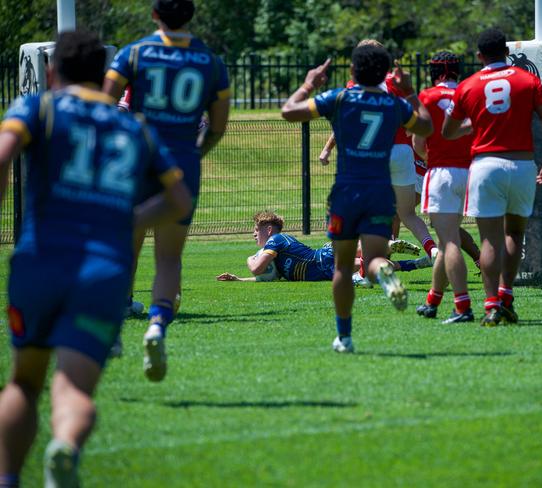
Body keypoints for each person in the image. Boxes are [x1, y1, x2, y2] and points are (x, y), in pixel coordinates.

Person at [0, 30, 191, 488]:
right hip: (103, 271)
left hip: (42, 260)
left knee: (25, 381)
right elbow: (178, 201)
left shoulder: (38, 107)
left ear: (51, 72)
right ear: (103, 75)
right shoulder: (134, 126)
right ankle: (64, 443)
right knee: (74, 387)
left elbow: (3, 157)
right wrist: (128, 217)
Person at [103, 0, 230, 381]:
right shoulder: (211, 62)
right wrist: (194, 153)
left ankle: (111, 329)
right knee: (169, 257)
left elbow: (105, 105)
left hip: (138, 160)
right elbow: (219, 126)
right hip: (182, 164)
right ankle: (157, 324)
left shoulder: (134, 53)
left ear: (154, 14)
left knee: (126, 245)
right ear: (190, 15)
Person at [282, 43, 433, 353]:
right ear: (384, 74)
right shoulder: (394, 104)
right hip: (380, 192)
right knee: (376, 259)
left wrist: (310, 83)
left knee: (342, 267)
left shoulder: (338, 97)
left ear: (352, 71)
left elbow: (289, 111)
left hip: (347, 192)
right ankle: (386, 273)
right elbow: (427, 126)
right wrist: (410, 92)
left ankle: (345, 337)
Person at [442, 28, 542, 326]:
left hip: (486, 165)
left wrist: (472, 125)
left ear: (479, 55)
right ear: (507, 52)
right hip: (522, 165)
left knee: (489, 239)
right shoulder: (528, 79)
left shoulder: (468, 85)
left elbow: (447, 131)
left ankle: (492, 303)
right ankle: (506, 296)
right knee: (515, 234)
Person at [319, 40, 438, 263]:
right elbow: (417, 119)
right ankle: (432, 250)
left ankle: (369, 268)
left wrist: (327, 150)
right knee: (408, 214)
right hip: (403, 151)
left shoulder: (354, 85)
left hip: (374, 154)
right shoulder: (397, 81)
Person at [413, 51, 477, 323]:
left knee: (449, 242)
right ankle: (432, 300)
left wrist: (435, 158)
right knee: (446, 239)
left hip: (441, 173)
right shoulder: (470, 92)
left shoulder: (427, 96)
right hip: (471, 172)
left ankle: (463, 306)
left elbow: (418, 145)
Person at [216, 211, 431, 282]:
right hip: (324, 265)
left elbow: (257, 268)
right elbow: (267, 277)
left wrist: (248, 259)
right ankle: (414, 261)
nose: (254, 234)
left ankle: (393, 250)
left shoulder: (276, 241)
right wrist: (239, 279)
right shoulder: (276, 254)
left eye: (257, 229)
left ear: (269, 230)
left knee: (362, 259)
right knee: (370, 264)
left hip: (320, 261)